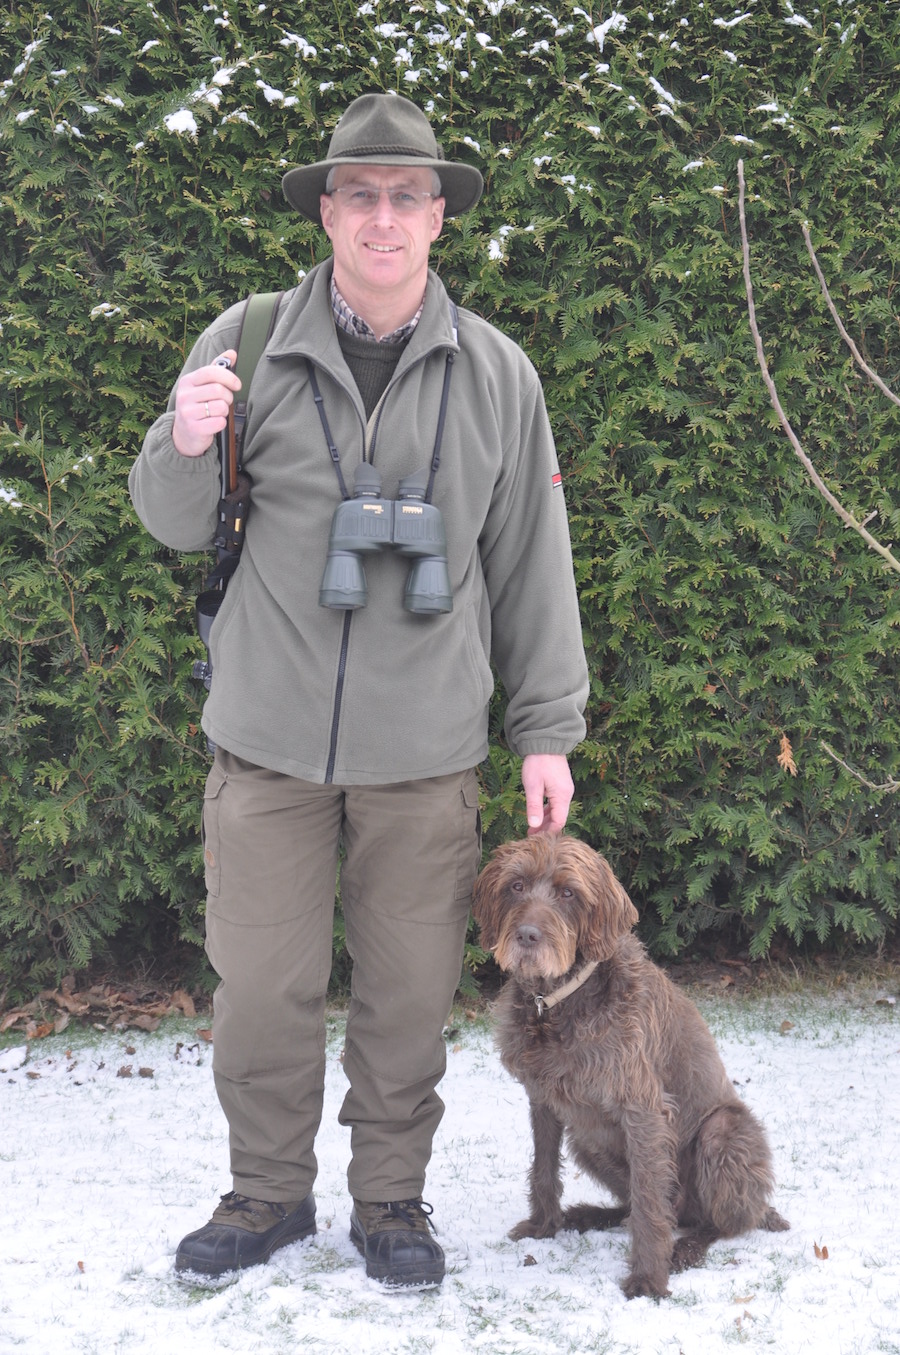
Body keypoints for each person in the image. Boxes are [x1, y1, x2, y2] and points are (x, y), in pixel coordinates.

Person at [130, 92, 589, 1289]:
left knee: (405, 993)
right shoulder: (248, 337)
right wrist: (180, 439)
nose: (383, 218)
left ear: (439, 217)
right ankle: (267, 1191)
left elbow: (531, 561)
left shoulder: (498, 373)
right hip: (268, 741)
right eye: (360, 194)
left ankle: (392, 1195)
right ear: (328, 210)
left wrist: (546, 728)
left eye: (407, 196)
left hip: (425, 750)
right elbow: (173, 524)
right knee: (263, 988)